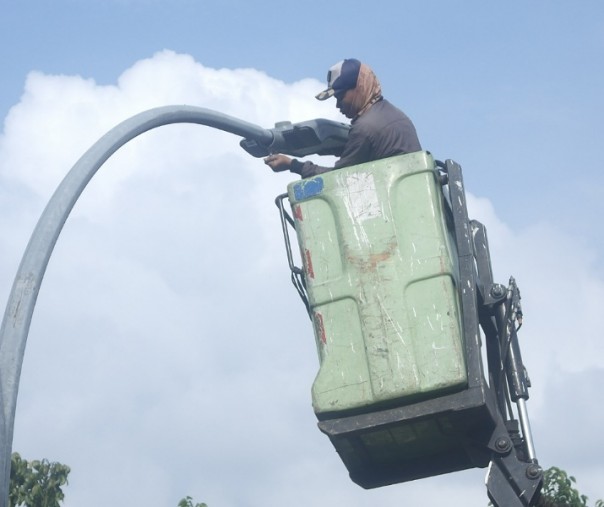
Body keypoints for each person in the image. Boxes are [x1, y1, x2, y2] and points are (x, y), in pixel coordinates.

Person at [264, 58, 422, 178]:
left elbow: (339, 178)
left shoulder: (365, 128)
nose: (338, 105)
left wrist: (293, 165)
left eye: (340, 97)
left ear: (359, 87)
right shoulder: (391, 113)